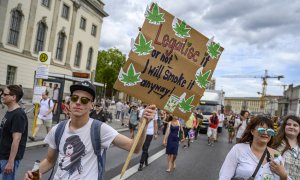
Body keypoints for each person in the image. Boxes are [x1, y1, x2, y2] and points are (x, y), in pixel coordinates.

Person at [24, 81, 156, 180]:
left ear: (92, 105)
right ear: (69, 103)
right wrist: (34, 174)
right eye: (74, 98)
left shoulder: (100, 129)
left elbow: (135, 148)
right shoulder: (57, 129)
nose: (78, 103)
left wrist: (143, 125)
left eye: (85, 100)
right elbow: (50, 161)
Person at [219, 116, 288, 180]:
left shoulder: (276, 155)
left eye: (270, 131)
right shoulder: (238, 149)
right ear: (252, 131)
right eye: (261, 130)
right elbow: (225, 176)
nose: (266, 133)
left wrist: (283, 175)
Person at [0, 85, 28, 179]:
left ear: (13, 97)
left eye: (5, 94)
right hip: (2, 153)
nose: (2, 96)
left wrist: (11, 162)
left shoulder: (18, 115)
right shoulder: (10, 111)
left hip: (9, 157)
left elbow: (16, 139)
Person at [271, 115, 300, 180]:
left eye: (295, 125)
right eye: (289, 124)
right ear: (284, 127)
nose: (291, 127)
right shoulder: (275, 143)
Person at [138, 105, 158, 171]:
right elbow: (140, 122)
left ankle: (141, 163)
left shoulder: (155, 112)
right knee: (144, 148)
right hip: (143, 132)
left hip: (150, 132)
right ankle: (146, 158)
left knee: (145, 148)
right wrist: (139, 131)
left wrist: (155, 133)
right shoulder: (142, 111)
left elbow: (155, 123)